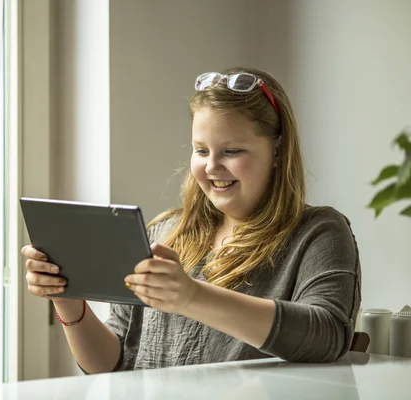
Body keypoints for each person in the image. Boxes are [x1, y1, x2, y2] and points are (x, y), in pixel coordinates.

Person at [21, 67, 361, 374]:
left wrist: (191, 296)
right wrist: (68, 299)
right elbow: (114, 365)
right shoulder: (165, 232)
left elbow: (327, 337)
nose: (212, 167)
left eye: (232, 151)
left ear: (277, 151)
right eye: (201, 150)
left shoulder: (318, 233)